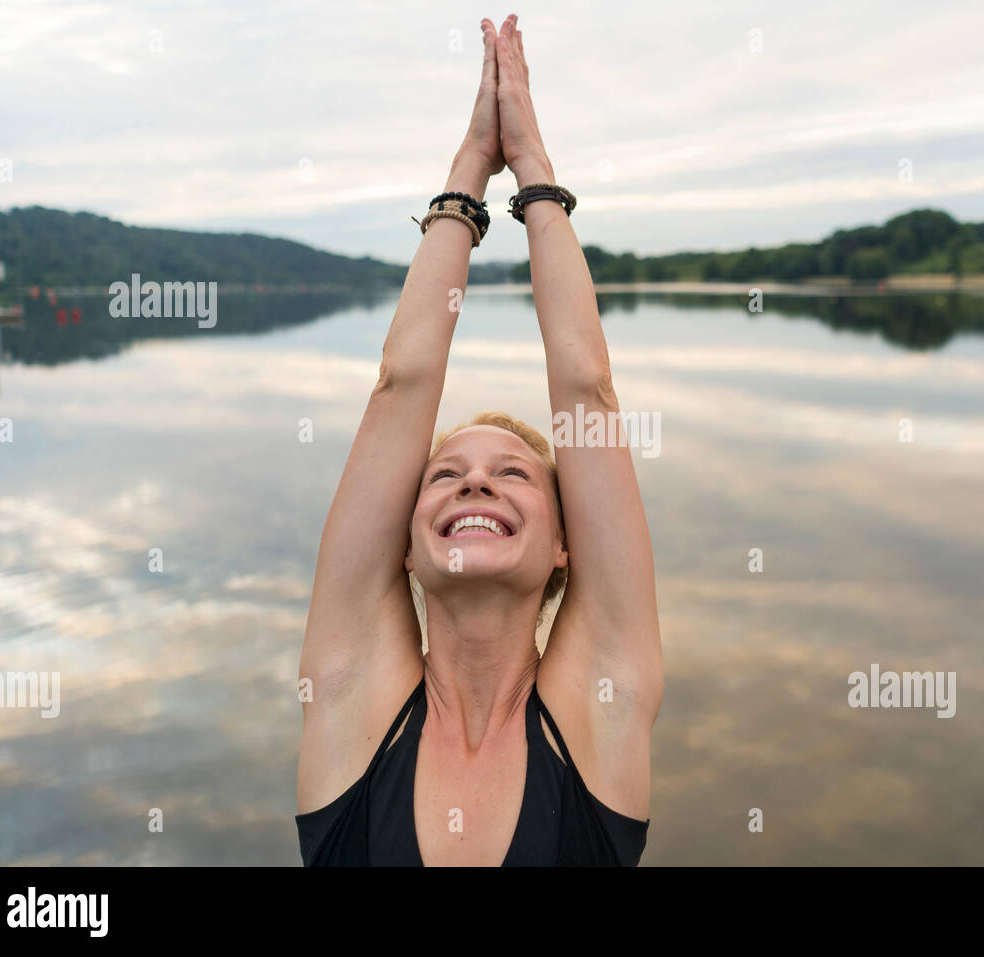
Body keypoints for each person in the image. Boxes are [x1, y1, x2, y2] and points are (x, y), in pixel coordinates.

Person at [294, 14, 663, 866]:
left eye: (513, 474)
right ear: (404, 545)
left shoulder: (600, 710)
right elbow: (401, 386)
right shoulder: (350, 698)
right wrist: (468, 169)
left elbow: (587, 391)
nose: (474, 483)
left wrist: (533, 171)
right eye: (446, 474)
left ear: (568, 542)